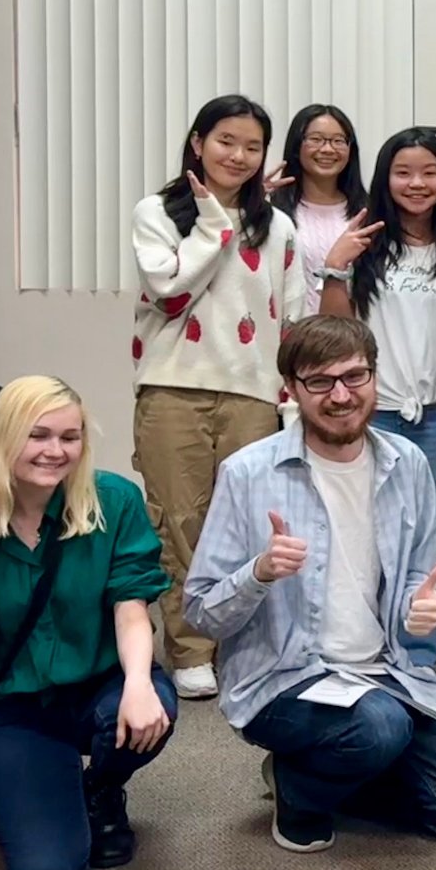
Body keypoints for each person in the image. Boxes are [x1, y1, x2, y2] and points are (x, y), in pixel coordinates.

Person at [184, 316, 436, 853]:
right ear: (292, 390)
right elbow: (200, 611)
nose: (340, 395)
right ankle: (300, 791)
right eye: (320, 382)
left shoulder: (407, 465)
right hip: (287, 679)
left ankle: (339, 768)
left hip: (387, 674)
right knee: (378, 729)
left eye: (355, 377)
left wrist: (417, 611)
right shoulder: (248, 473)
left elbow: (414, 582)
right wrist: (257, 573)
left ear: (375, 377)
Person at [131, 93, 307, 702]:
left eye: (252, 146)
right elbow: (171, 291)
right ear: (198, 142)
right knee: (179, 523)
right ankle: (189, 649)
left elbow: (293, 318)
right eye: (226, 141)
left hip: (253, 393)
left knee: (248, 525)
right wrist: (213, 224)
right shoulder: (158, 212)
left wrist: (292, 400)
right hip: (172, 387)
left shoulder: (277, 225)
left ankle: (241, 640)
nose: (238, 155)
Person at [0, 378, 175, 870]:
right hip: (11, 704)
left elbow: (130, 605)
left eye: (71, 436)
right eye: (37, 435)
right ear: (1, 436)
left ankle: (102, 787)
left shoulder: (113, 499)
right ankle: (35, 778)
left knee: (151, 706)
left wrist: (138, 680)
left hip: (95, 684)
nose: (55, 451)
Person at [317, 128, 436, 663]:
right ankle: (360, 650)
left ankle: (418, 657)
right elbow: (334, 338)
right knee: (362, 536)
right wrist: (336, 267)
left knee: (425, 543)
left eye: (430, 172)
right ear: (385, 179)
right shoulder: (362, 245)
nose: (417, 183)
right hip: (374, 417)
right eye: (404, 172)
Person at [271, 103, 367, 316]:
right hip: (290, 341)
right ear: (297, 146)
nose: (327, 149)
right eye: (315, 139)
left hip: (356, 341)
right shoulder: (273, 212)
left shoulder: (367, 213)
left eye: (338, 141)